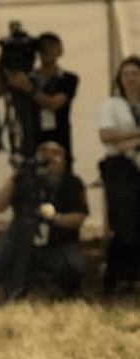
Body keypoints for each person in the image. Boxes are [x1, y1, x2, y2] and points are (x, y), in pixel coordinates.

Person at [0, 141, 88, 301]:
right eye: (44, 151)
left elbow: (79, 217)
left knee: (76, 267)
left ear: (65, 160)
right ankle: (14, 284)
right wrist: (15, 179)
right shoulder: (23, 180)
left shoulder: (72, 183)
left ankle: (52, 286)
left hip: (58, 241)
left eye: (56, 153)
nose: (49, 156)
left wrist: (55, 218)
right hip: (20, 238)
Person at [0, 31, 78, 163]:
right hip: (31, 140)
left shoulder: (68, 79)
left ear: (60, 50)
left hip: (58, 140)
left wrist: (28, 89)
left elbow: (54, 104)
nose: (47, 51)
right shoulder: (28, 77)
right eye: (43, 47)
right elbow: (5, 94)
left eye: (52, 46)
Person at [98, 55, 140, 295]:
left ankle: (134, 276)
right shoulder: (111, 104)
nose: (131, 78)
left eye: (135, 73)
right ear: (120, 78)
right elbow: (106, 136)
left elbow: (119, 138)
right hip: (119, 167)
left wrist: (129, 139)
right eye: (126, 74)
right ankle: (115, 274)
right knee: (123, 221)